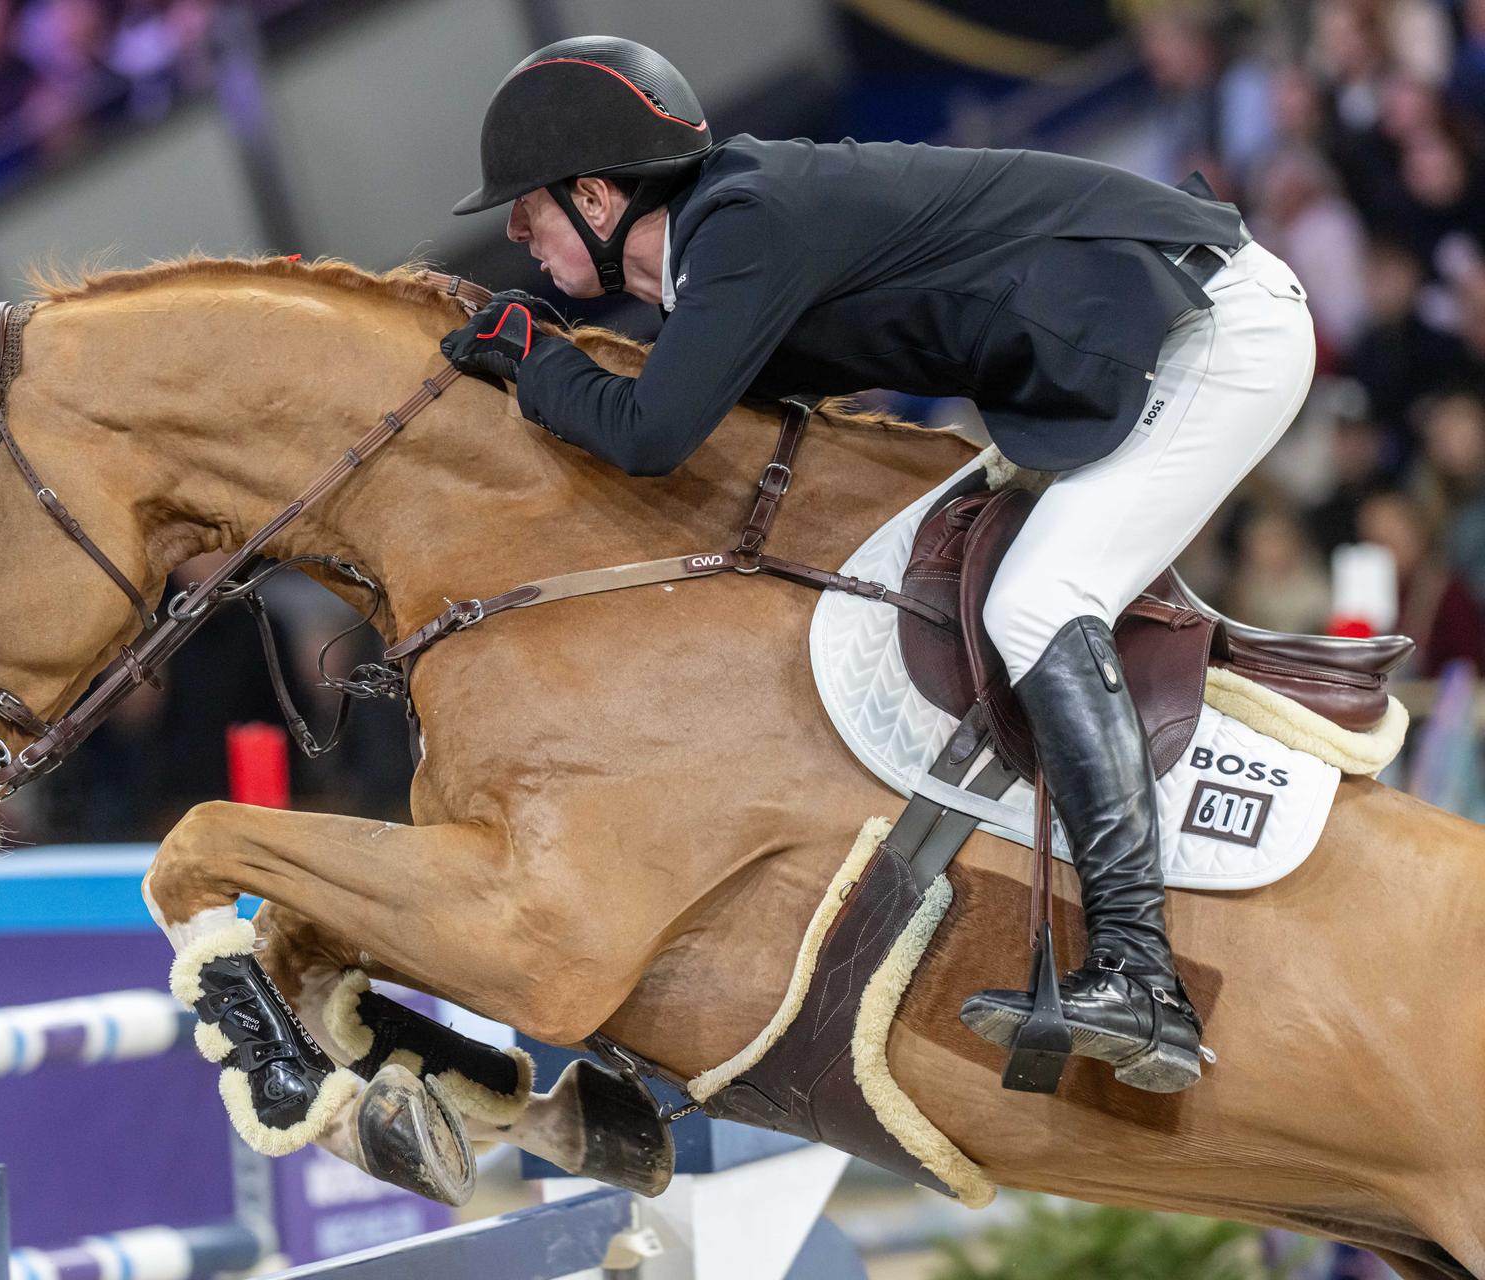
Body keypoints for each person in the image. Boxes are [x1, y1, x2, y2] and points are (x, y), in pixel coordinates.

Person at [437, 37, 1319, 1094]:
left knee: (1040, 599)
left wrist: (537, 358)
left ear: (593, 193)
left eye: (527, 206)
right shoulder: (723, 239)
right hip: (1143, 338)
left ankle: (1141, 974)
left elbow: (648, 435)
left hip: (1212, 334)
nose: (515, 231)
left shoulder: (742, 226)